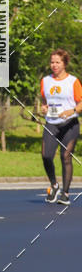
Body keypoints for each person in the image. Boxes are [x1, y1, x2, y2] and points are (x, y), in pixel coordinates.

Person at [40, 49, 82, 206]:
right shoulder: (45, 81)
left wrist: (72, 110)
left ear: (64, 63)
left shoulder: (73, 81)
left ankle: (65, 193)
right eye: (52, 62)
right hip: (52, 122)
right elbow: (44, 99)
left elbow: (81, 103)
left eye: (58, 62)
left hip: (69, 124)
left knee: (65, 156)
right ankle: (54, 185)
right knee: (46, 156)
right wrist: (44, 107)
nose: (54, 65)